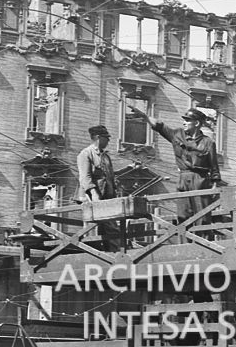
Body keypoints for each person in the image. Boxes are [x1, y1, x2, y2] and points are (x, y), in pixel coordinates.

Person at [128, 106, 221, 226]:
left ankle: (203, 238)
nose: (184, 122)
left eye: (188, 120)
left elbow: (214, 167)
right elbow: (160, 126)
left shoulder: (208, 142)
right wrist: (145, 116)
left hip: (200, 180)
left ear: (197, 123)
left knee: (202, 216)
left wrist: (214, 187)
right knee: (183, 215)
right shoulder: (177, 135)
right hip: (183, 178)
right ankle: (184, 238)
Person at [76, 124, 121, 252]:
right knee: (98, 228)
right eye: (106, 137)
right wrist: (94, 194)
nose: (108, 140)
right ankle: (109, 254)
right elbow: (85, 177)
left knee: (109, 227)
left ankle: (111, 253)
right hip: (93, 198)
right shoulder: (86, 154)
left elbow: (110, 177)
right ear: (98, 137)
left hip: (107, 198)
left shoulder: (105, 156)